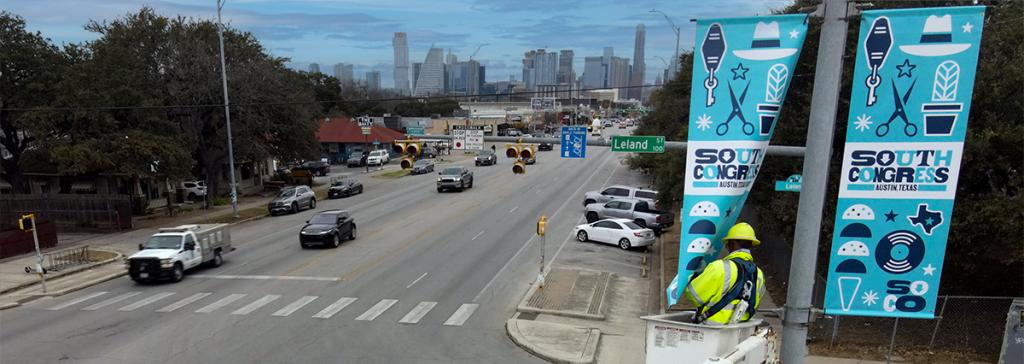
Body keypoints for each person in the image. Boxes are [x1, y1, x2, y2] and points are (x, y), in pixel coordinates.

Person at [683, 222, 766, 325]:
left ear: (731, 244)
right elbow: (754, 305)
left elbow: (694, 296)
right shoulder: (759, 275)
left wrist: (692, 277)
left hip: (711, 333)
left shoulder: (719, 267)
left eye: (727, 244)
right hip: (740, 333)